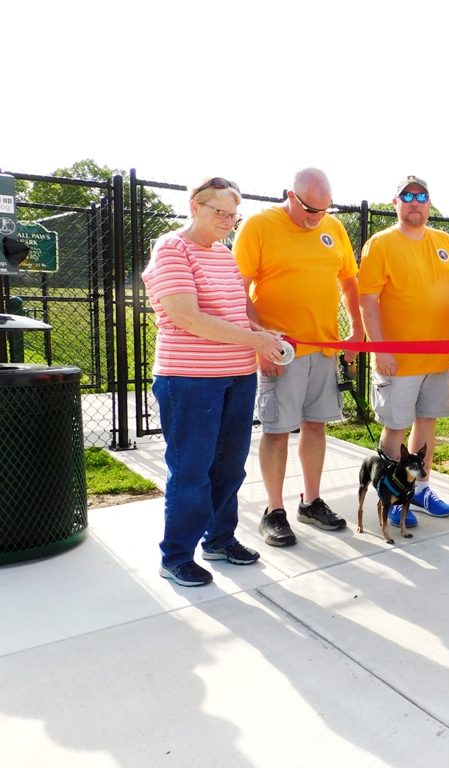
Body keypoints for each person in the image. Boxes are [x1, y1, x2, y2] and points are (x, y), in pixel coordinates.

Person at [142, 176, 287, 587]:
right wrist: (255, 341)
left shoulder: (223, 254)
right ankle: (176, 556)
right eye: (219, 212)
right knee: (192, 471)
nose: (227, 221)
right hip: (190, 380)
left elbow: (237, 312)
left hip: (237, 376)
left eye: (233, 215)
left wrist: (263, 334)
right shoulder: (171, 249)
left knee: (228, 467)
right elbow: (187, 317)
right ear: (195, 206)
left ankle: (220, 539)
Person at [234, 168, 364, 547]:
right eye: (310, 209)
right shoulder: (259, 226)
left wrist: (356, 331)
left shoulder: (333, 228)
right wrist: (260, 342)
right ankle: (274, 511)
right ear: (291, 196)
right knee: (276, 431)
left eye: (324, 210)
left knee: (316, 427)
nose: (316, 217)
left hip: (323, 348)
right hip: (281, 351)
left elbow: (349, 282)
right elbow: (237, 289)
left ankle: (311, 501)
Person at [358, 176, 449, 527]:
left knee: (427, 425)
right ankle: (390, 494)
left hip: (439, 359)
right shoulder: (380, 244)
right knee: (395, 429)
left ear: (429, 203)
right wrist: (381, 350)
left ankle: (419, 490)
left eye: (421, 196)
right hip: (398, 362)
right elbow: (367, 301)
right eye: (407, 196)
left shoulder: (444, 241)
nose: (415, 202)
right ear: (396, 203)